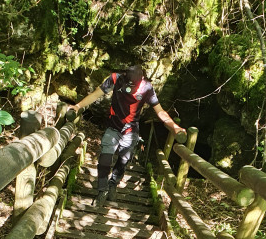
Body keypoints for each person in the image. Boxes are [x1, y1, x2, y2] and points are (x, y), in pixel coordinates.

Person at [68, 64, 182, 207]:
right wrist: (78, 106)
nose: (130, 89)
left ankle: (113, 183)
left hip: (131, 130)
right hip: (113, 126)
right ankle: (102, 191)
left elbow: (160, 111)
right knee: (104, 158)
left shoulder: (147, 87)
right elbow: (97, 93)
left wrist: (175, 127)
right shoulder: (116, 78)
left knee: (123, 160)